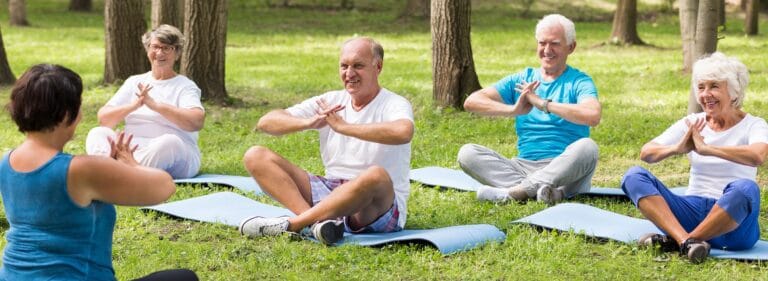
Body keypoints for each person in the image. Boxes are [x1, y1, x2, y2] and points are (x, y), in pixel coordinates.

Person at [0, 64, 198, 280]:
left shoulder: (6, 161)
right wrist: (130, 164)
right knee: (183, 278)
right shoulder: (81, 169)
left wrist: (110, 169)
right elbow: (164, 187)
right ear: (68, 114)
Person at [239, 37, 414, 245]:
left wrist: (345, 128)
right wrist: (308, 122)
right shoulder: (331, 101)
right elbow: (266, 122)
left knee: (376, 175)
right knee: (255, 155)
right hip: (331, 191)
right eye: (344, 66)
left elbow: (403, 131)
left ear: (378, 67)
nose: (349, 74)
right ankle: (317, 226)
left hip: (376, 206)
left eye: (358, 66)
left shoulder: (394, 103)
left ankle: (293, 225)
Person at [621, 52, 767, 264]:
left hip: (733, 226)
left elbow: (757, 155)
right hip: (690, 211)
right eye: (701, 87)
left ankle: (680, 240)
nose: (706, 94)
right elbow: (647, 152)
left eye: (714, 86)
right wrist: (677, 148)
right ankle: (687, 242)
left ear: (734, 91)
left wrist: (708, 149)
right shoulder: (693, 122)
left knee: (746, 189)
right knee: (633, 176)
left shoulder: (754, 124)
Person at [457, 14, 601, 204]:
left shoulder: (579, 81)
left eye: (555, 44)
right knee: (467, 153)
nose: (547, 50)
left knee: (588, 148)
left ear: (571, 47)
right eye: (542, 43)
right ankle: (546, 193)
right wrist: (514, 110)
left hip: (566, 170)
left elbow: (592, 115)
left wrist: (543, 104)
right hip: (524, 167)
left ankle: (516, 193)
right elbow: (472, 102)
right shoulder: (522, 80)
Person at [86, 24, 205, 179]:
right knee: (97, 133)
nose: (159, 53)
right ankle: (118, 169)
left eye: (167, 48)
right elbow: (104, 119)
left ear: (177, 53)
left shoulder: (185, 86)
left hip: (174, 153)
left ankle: (122, 172)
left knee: (170, 142)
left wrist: (155, 106)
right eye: (155, 47)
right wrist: (133, 105)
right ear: (148, 49)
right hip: (132, 150)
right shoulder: (134, 81)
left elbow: (196, 121)